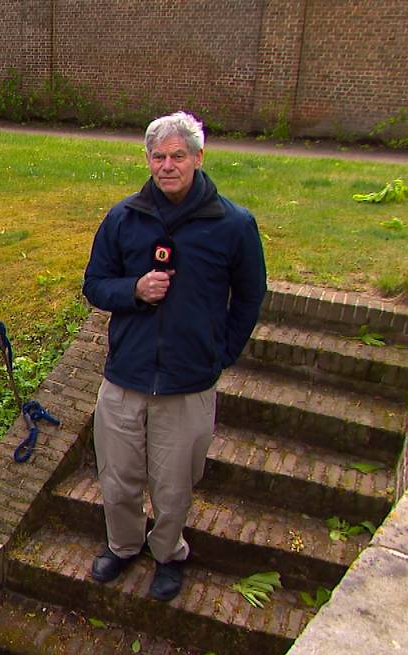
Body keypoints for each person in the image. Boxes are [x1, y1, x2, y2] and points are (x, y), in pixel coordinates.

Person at [81, 111, 266, 601]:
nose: (167, 166)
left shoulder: (234, 225)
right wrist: (134, 289)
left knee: (174, 486)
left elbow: (250, 297)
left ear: (199, 158)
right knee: (117, 479)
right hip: (126, 377)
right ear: (147, 159)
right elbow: (94, 284)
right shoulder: (123, 218)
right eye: (158, 157)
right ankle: (122, 546)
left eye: (177, 156)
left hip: (188, 384)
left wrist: (222, 352)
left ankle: (167, 553)